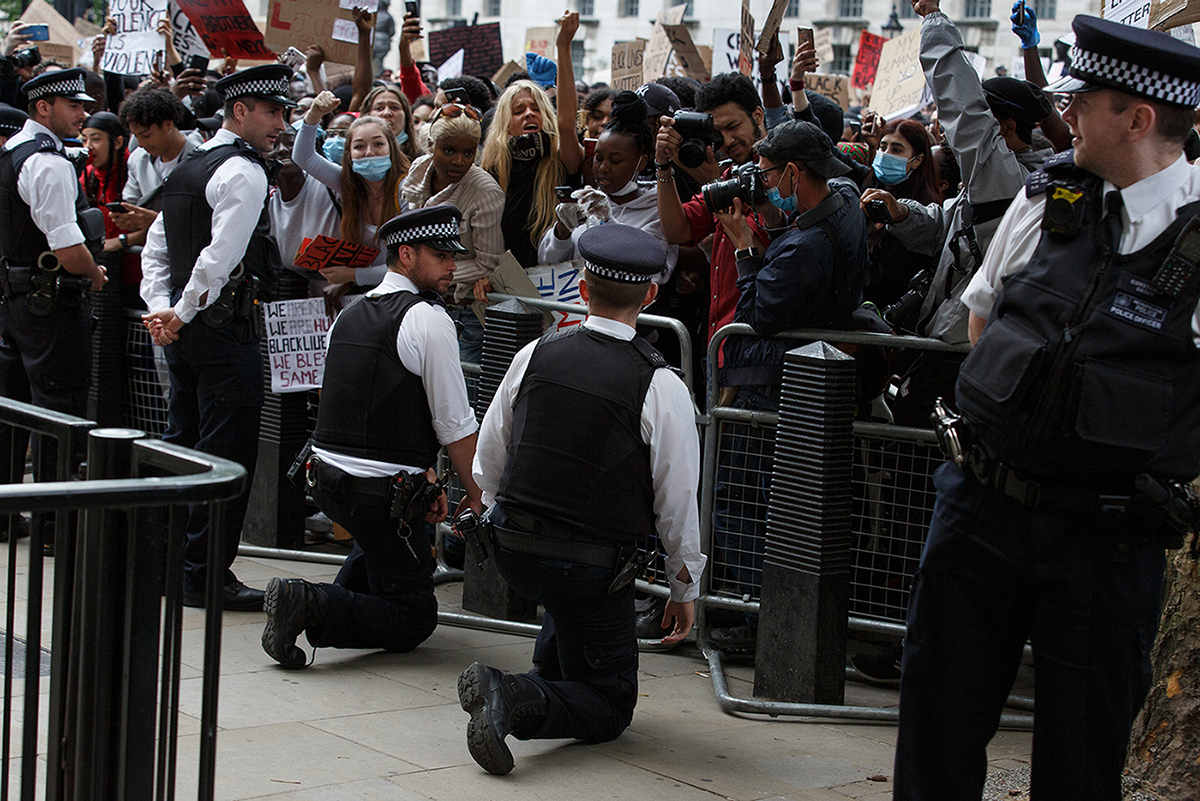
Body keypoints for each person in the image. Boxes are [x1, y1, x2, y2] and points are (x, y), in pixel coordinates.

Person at [894, 16, 1200, 801]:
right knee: (936, 731)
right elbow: (981, 322)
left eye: (1084, 101)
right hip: (980, 512)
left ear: (1137, 118)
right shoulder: (1046, 197)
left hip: (1107, 546)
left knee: (1079, 760)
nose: (1066, 114)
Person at [463, 223, 705, 775]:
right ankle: (510, 697)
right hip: (590, 569)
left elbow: (488, 460)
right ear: (650, 295)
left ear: (584, 287)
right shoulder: (661, 384)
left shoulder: (534, 353)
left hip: (514, 552)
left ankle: (532, 685)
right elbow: (676, 501)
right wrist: (683, 584)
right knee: (611, 704)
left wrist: (507, 516)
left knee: (568, 601)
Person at [261, 206, 484, 669]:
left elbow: (362, 403)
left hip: (327, 484)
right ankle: (310, 602)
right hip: (377, 498)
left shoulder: (350, 311)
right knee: (414, 616)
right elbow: (455, 425)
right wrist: (479, 496)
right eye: (442, 255)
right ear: (407, 255)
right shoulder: (429, 319)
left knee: (378, 552)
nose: (451, 266)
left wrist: (421, 474)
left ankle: (309, 604)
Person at [703, 120, 868, 654]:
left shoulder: (807, 247)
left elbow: (759, 313)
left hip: (774, 383)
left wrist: (747, 247)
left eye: (770, 173)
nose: (762, 181)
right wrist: (775, 219)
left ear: (795, 172)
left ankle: (761, 617)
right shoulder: (844, 206)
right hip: (812, 383)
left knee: (739, 499)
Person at [140, 64, 293, 610]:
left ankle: (175, 566)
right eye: (272, 112)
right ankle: (205, 576)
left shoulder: (189, 167)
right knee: (225, 456)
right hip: (222, 334)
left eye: (284, 112)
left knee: (184, 446)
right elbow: (220, 259)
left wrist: (163, 310)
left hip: (188, 334)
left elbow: (156, 253)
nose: (281, 122)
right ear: (240, 112)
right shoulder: (243, 171)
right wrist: (174, 313)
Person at [0, 68, 107, 553]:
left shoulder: (11, 153)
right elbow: (67, 244)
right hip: (51, 303)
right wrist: (92, 273)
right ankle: (53, 527)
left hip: (17, 301)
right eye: (73, 106)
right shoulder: (48, 162)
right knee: (58, 413)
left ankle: (8, 516)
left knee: (14, 410)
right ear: (43, 108)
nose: (83, 114)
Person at [655, 72, 774, 345]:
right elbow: (677, 229)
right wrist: (663, 165)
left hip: (757, 340)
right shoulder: (728, 173)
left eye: (733, 126)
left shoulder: (781, 173)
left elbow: (769, 252)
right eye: (718, 132)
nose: (727, 140)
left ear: (757, 115)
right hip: (720, 340)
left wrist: (711, 182)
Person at [477, 12, 585, 269]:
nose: (528, 113)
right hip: (506, 282)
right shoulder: (491, 170)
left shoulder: (560, 157)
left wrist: (564, 48)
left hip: (555, 287)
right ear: (504, 122)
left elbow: (567, 123)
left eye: (536, 108)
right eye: (518, 111)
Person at [399, 100, 504, 363]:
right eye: (448, 150)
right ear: (431, 146)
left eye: (468, 153)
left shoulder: (485, 191)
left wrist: (430, 273)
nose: (459, 161)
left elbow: (489, 263)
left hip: (462, 311)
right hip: (417, 301)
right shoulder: (419, 169)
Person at [539, 91, 678, 283]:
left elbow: (655, 273)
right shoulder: (586, 200)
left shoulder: (659, 209)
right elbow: (546, 264)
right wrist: (561, 232)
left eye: (615, 161)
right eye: (598, 158)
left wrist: (609, 223)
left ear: (642, 162)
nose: (603, 168)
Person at [295, 90, 408, 290]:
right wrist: (314, 115)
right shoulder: (348, 185)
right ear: (348, 155)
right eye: (359, 146)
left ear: (392, 148)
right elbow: (304, 158)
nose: (369, 152)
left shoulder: (406, 190)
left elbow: (409, 263)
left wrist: (353, 275)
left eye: (378, 144)